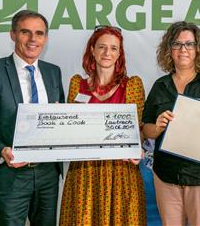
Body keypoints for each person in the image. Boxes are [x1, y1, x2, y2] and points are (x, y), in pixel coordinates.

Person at [0, 10, 65, 226]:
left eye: (39, 33)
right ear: (13, 34)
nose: (33, 39)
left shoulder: (53, 73)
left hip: (48, 175)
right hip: (9, 175)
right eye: (25, 32)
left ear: (45, 39)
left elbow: (60, 121)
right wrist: (2, 150)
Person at [142, 21, 200, 225]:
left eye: (189, 44)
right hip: (166, 176)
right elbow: (147, 129)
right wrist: (157, 127)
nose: (183, 49)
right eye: (177, 44)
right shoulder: (160, 86)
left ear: (198, 49)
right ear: (169, 49)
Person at [59, 25, 147, 226]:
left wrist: (138, 148)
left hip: (121, 172)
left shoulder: (132, 85)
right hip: (84, 173)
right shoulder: (77, 84)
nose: (107, 53)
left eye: (114, 48)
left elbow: (137, 130)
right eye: (102, 47)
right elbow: (71, 129)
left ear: (119, 54)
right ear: (92, 49)